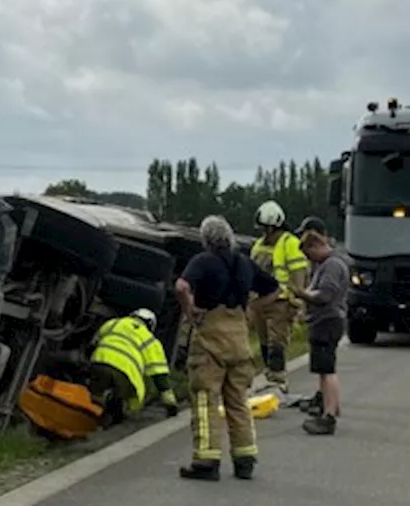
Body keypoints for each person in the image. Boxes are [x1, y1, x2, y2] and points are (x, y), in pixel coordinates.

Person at [174, 215, 280, 482]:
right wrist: (252, 310)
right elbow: (274, 289)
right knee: (238, 400)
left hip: (211, 333)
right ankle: (245, 459)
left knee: (205, 397)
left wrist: (190, 311)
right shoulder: (244, 262)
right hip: (239, 335)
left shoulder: (203, 261)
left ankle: (206, 461)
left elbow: (182, 286)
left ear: (206, 239)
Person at [248, 200, 309, 392]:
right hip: (260, 300)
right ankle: (270, 373)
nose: (265, 233)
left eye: (268, 228)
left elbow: (299, 273)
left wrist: (298, 303)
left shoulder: (290, 243)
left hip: (281, 301)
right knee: (264, 340)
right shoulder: (258, 245)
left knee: (277, 341)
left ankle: (278, 377)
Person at [296, 229, 349, 434]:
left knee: (327, 370)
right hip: (325, 321)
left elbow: (325, 295)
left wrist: (303, 294)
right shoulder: (327, 264)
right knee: (324, 369)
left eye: (309, 255)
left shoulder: (332, 266)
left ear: (315, 246)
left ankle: (329, 415)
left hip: (327, 321)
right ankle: (331, 407)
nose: (310, 260)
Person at [87, 308, 180, 424]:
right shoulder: (151, 341)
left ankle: (87, 416)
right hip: (126, 376)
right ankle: (110, 418)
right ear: (151, 326)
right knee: (119, 399)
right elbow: (160, 378)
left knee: (92, 395)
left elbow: (92, 345)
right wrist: (170, 404)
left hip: (99, 363)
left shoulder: (114, 323)